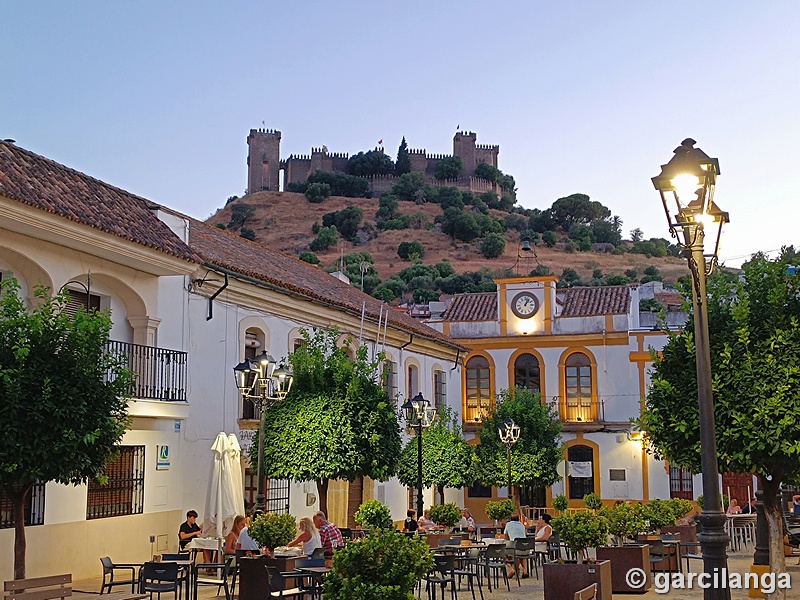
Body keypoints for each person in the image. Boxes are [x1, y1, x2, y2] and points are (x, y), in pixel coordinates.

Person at [503, 513, 528, 579]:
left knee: (503, 553)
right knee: (521, 555)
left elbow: (505, 537)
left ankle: (511, 569)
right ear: (518, 519)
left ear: (510, 519)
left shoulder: (508, 524)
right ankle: (525, 570)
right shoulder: (522, 525)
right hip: (526, 549)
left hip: (515, 549)